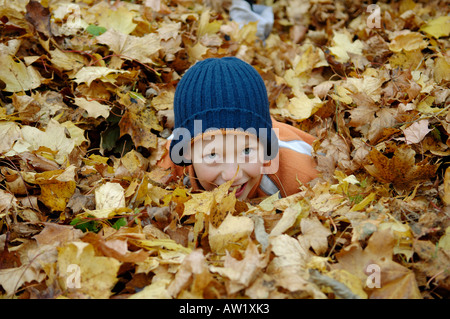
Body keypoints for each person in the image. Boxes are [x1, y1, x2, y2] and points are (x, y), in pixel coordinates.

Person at [157, 57, 318, 200]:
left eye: (246, 151)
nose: (232, 175)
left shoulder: (299, 177)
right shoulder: (168, 169)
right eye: (213, 155)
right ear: (187, 153)